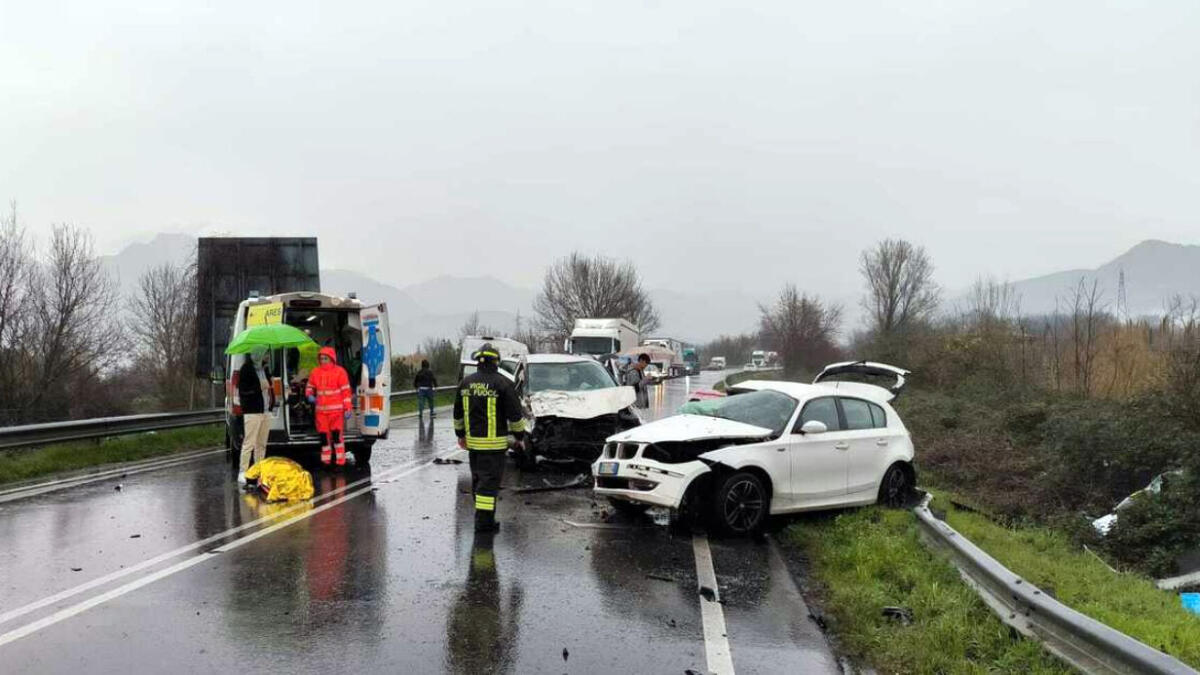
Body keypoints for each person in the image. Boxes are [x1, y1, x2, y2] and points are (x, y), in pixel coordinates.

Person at [453, 343, 526, 533]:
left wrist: (461, 435)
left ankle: (484, 519)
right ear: (496, 362)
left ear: (478, 362)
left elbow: (458, 415)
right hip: (493, 447)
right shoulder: (503, 384)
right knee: (488, 484)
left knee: (478, 481)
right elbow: (515, 416)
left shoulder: (466, 383)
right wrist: (520, 436)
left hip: (474, 446)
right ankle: (483, 524)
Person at [306, 346, 353, 466]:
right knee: (323, 438)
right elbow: (310, 386)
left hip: (336, 412)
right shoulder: (315, 372)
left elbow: (346, 392)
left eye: (325, 358)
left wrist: (348, 408)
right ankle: (326, 461)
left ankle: (340, 462)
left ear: (331, 359)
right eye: (321, 358)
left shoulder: (340, 372)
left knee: (337, 438)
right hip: (321, 412)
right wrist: (309, 395)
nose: (323, 361)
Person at [237, 346, 275, 487]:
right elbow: (243, 390)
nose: (268, 357)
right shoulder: (246, 369)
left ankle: (259, 470)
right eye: (266, 354)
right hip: (252, 411)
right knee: (250, 442)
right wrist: (259, 386)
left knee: (261, 444)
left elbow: (268, 387)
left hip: (265, 410)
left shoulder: (264, 369)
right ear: (258, 354)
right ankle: (243, 471)